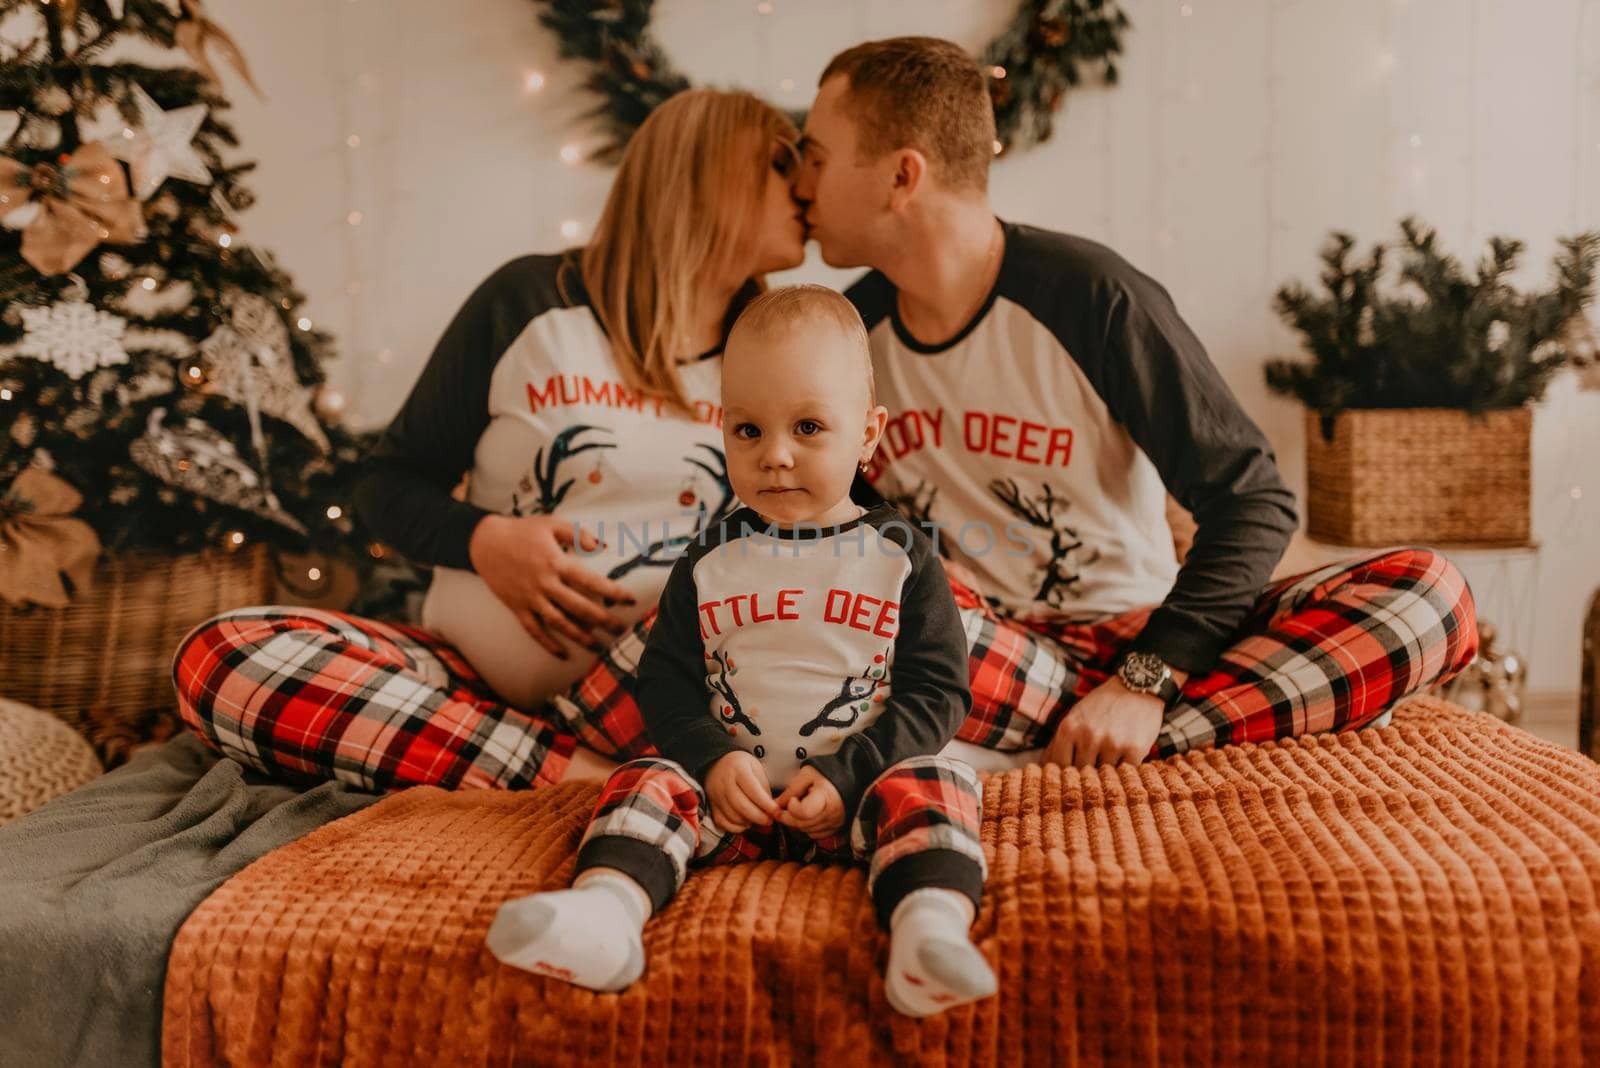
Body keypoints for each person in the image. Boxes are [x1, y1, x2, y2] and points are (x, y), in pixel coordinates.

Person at [551, 37, 1477, 773]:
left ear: (901, 177)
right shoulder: (841, 333)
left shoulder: (1093, 298)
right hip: (965, 648)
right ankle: (1080, 747)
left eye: (820, 158)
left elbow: (1253, 499)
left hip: (1129, 635)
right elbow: (793, 518)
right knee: (741, 595)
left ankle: (1118, 741)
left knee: (1426, 597)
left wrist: (1145, 684)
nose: (801, 185)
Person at [171, 89, 808, 791]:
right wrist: (486, 542)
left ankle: (536, 764)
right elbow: (384, 487)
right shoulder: (529, 301)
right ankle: (583, 778)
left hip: (657, 696)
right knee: (222, 656)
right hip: (469, 682)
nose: (805, 184)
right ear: (704, 173)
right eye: (781, 164)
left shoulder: (779, 347)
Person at [486, 286, 995, 1018]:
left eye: (809, 426)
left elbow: (939, 694)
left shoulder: (901, 557)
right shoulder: (710, 558)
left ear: (868, 433)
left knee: (936, 781)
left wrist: (851, 774)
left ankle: (928, 930)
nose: (775, 455)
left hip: (858, 799)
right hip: (733, 808)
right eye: (748, 430)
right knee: (645, 782)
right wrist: (712, 759)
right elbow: (665, 681)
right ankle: (605, 914)